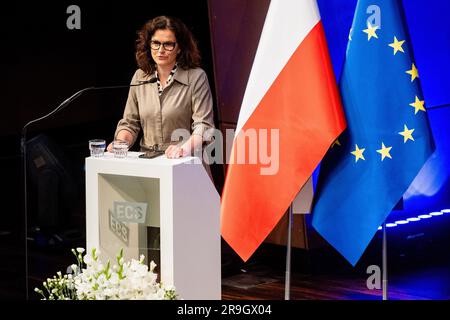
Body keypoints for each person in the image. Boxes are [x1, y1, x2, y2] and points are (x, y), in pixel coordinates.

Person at [108, 15, 215, 159]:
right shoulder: (140, 76)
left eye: (168, 44)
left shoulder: (196, 77)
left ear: (179, 48)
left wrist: (183, 149)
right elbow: (130, 123)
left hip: (185, 161)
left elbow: (204, 126)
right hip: (148, 162)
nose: (160, 50)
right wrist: (120, 143)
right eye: (156, 43)